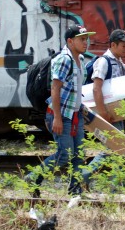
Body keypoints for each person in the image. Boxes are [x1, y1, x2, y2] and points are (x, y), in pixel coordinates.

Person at [25, 25, 96, 197]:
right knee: (65, 154)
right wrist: (56, 117)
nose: (86, 42)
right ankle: (33, 177)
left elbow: (76, 89)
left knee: (79, 154)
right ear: (70, 41)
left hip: (75, 114)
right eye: (82, 39)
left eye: (86, 39)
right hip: (61, 115)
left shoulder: (80, 60)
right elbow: (55, 89)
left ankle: (75, 190)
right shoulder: (64, 60)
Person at [81, 29, 125, 189]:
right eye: (124, 45)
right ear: (113, 44)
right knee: (115, 147)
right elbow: (96, 89)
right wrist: (103, 113)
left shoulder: (120, 63)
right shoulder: (104, 62)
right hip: (108, 115)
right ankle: (88, 176)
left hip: (117, 115)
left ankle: (116, 183)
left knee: (118, 147)